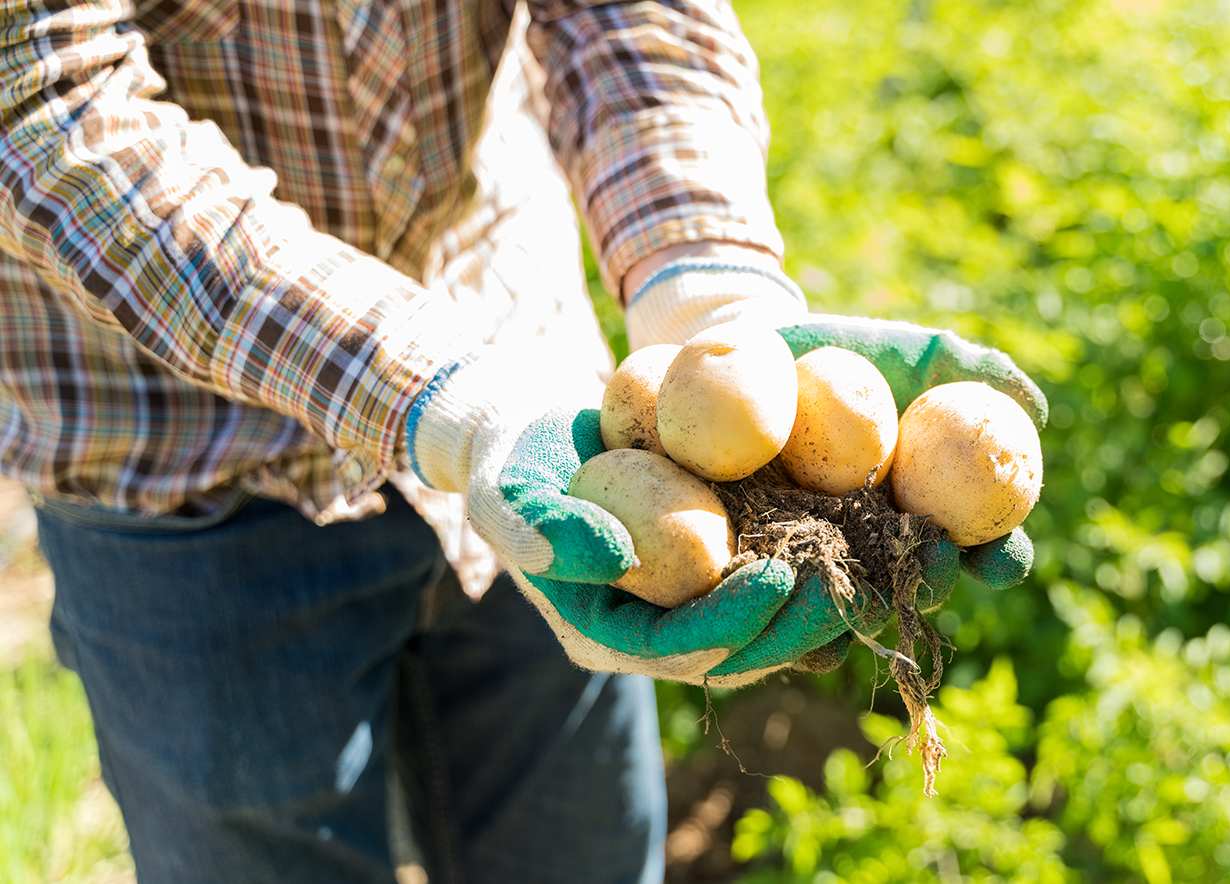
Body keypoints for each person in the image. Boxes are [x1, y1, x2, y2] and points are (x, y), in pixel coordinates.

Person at [0, 0, 1045, 879]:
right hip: (175, 452)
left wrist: (706, 282)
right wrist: (449, 402)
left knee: (583, 849)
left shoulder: (594, 466)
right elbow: (44, 100)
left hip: (542, 420)